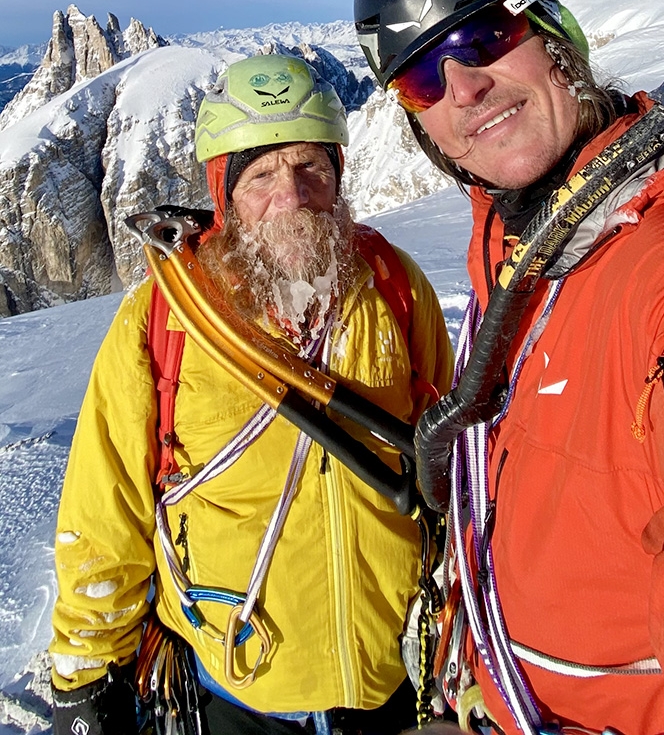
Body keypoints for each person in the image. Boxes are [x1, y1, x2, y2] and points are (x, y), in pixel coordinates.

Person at [353, 0, 664, 735]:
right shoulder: (518, 251)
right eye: (423, 79)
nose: (464, 88)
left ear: (551, 30)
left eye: (486, 34)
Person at [49, 54, 454, 735]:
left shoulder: (392, 286)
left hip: (386, 687)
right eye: (261, 176)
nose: (291, 197)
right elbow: (103, 510)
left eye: (311, 169)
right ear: (224, 194)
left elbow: (450, 463)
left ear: (339, 176)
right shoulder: (166, 320)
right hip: (237, 697)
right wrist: (87, 674)